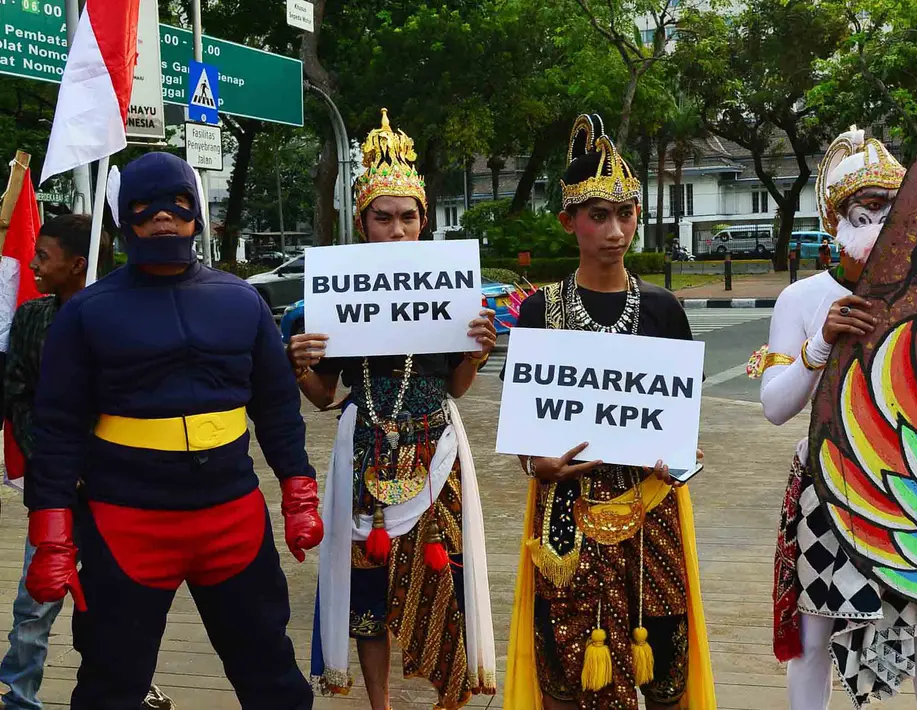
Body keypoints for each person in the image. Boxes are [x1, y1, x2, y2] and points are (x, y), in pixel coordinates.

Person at [22, 152, 322, 710]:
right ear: (123, 218)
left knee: (272, 676)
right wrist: (51, 530)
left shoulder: (241, 301)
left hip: (232, 518)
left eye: (178, 203)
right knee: (112, 684)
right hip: (127, 523)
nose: (164, 216)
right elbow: (57, 430)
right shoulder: (85, 314)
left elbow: (278, 407)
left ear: (197, 213)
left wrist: (298, 487)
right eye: (145, 205)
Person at [503, 114, 717, 710]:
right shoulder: (540, 311)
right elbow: (527, 425)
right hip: (566, 509)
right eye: (598, 215)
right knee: (569, 667)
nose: (615, 230)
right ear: (568, 222)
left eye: (625, 214)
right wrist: (534, 463)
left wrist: (683, 451)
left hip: (651, 503)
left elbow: (681, 414)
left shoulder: (664, 309)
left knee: (665, 660)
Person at [290, 109, 498, 710]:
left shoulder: (450, 290)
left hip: (438, 444)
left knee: (443, 574)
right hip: (365, 447)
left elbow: (456, 387)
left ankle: (446, 695)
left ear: (424, 222)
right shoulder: (336, 290)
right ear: (363, 223)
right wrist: (300, 362)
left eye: (409, 217)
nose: (397, 229)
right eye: (383, 218)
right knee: (367, 590)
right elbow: (326, 396)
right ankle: (380, 703)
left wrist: (478, 354)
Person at [753, 127, 917, 709]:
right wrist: (819, 345)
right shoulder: (801, 300)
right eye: (865, 210)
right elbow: (775, 407)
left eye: (890, 210)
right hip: (825, 482)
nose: (879, 222)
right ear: (836, 221)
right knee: (813, 634)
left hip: (913, 485)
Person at [0, 215, 172, 710]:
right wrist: (54, 459)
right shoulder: (32, 318)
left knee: (120, 603)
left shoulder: (123, 317)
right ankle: (19, 695)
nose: (33, 265)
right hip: (53, 491)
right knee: (34, 602)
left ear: (77, 266)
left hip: (119, 493)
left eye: (43, 258)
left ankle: (123, 690)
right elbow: (18, 395)